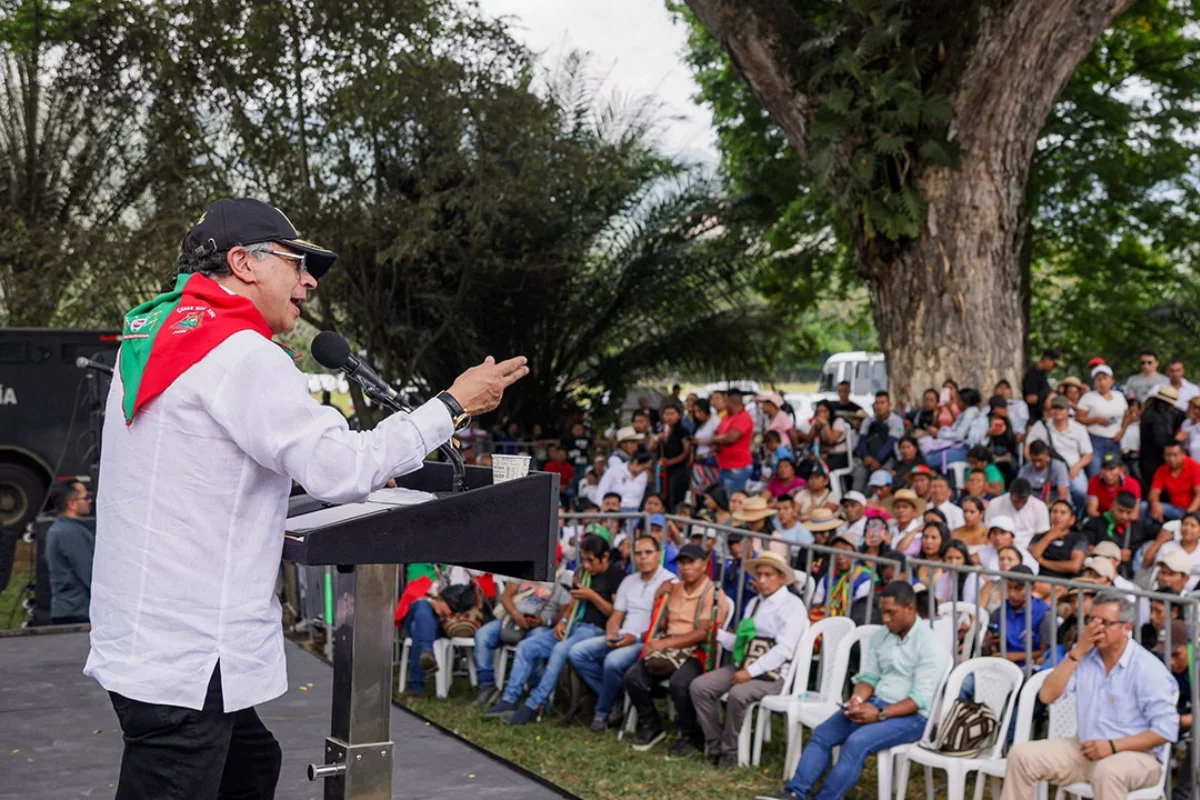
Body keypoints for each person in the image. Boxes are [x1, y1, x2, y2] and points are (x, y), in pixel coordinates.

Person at [84, 198, 527, 799]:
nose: (310, 281)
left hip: (147, 637)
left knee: (251, 763)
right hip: (190, 657)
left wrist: (367, 473)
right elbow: (338, 469)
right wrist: (451, 406)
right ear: (242, 262)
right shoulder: (240, 354)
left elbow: (205, 466)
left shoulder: (162, 337)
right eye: (298, 263)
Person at [759, 581, 949, 800]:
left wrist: (879, 715)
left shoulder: (931, 646)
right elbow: (868, 677)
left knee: (857, 742)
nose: (885, 619)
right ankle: (794, 793)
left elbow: (919, 699)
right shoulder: (881, 636)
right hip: (877, 703)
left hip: (913, 717)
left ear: (911, 608)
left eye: (891, 613)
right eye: (883, 613)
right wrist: (857, 699)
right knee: (823, 733)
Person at [1001, 592, 1179, 800]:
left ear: (1126, 627)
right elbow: (1047, 695)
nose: (1097, 629)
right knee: (1021, 756)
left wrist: (1113, 746)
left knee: (1109, 771)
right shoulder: (1084, 657)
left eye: (1106, 623)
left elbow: (1166, 730)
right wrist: (1077, 652)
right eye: (1092, 621)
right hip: (1085, 749)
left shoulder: (1148, 668)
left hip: (1136, 757)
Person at [484, 533, 624, 725]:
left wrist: (592, 596)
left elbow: (616, 613)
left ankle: (533, 705)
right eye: (584, 560)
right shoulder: (583, 573)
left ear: (605, 557)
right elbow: (572, 604)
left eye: (591, 561)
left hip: (594, 630)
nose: (587, 565)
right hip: (573, 625)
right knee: (527, 647)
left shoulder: (617, 577)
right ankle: (509, 699)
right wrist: (562, 622)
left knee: (559, 651)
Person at [692, 551, 808, 770]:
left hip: (773, 674)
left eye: (768, 575)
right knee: (700, 687)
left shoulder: (793, 607)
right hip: (745, 664)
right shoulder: (754, 602)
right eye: (759, 575)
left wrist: (751, 672)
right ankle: (715, 743)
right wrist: (716, 634)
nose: (762, 580)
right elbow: (742, 642)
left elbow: (784, 650)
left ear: (781, 577)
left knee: (738, 694)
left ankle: (730, 752)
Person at [622, 543, 731, 755]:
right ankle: (652, 726)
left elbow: (703, 633)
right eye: (682, 562)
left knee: (679, 684)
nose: (686, 567)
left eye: (692, 562)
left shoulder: (714, 594)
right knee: (632, 677)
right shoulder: (674, 588)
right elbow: (662, 624)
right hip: (668, 647)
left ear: (704, 564)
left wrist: (665, 643)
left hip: (696, 650)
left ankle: (689, 735)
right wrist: (658, 599)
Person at [569, 534, 674, 733]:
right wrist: (611, 633)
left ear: (659, 555)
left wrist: (634, 638)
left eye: (648, 553)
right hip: (623, 635)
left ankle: (602, 712)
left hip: (647, 640)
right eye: (638, 553)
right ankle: (614, 696)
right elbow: (617, 615)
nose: (643, 557)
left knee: (612, 662)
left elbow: (664, 626)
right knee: (577, 653)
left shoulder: (669, 581)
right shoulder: (629, 581)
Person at [472, 570, 572, 708]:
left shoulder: (564, 576)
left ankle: (538, 694)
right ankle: (487, 685)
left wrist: (544, 621)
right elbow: (506, 596)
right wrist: (515, 614)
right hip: (514, 618)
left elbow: (565, 614)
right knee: (482, 635)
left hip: (542, 624)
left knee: (533, 644)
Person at [1027, 395, 1093, 510]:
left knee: (1081, 491)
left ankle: (1076, 517)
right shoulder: (1041, 426)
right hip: (1047, 468)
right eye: (1055, 408)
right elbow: (1028, 447)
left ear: (1068, 411)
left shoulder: (1079, 428)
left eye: (1061, 409)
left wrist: (1076, 467)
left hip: (1071, 468)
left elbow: (1088, 454)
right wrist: (1035, 465)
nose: (1057, 412)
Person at [983, 565, 1055, 667]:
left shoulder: (1045, 614)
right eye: (1009, 587)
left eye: (1018, 588)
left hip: (1030, 668)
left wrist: (1012, 657)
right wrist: (989, 645)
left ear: (1032, 588)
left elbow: (1047, 652)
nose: (1012, 594)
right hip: (1000, 665)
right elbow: (990, 650)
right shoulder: (998, 613)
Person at [45, 479, 94, 625]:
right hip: (77, 611)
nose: (90, 500)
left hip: (69, 609)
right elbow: (88, 573)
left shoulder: (61, 529)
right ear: (72, 504)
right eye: (86, 498)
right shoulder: (70, 533)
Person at [1082, 491, 1155, 580]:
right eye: (1120, 511)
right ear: (1112, 505)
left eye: (1128, 513)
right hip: (1099, 575)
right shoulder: (1095, 523)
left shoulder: (1138, 527)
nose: (1124, 516)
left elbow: (1164, 531)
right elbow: (1087, 549)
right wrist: (1115, 554)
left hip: (1127, 577)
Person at [1076, 365, 1128, 477]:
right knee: (1096, 472)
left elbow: (1126, 415)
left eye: (1105, 379)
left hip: (1114, 440)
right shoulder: (1088, 397)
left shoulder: (1119, 396)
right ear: (1094, 382)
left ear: (1112, 380)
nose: (1102, 383)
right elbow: (1078, 418)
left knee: (1114, 472)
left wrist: (1122, 430)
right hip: (1095, 440)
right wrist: (1094, 420)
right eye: (1098, 379)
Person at [851, 391, 904, 492]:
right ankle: (855, 498)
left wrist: (878, 460)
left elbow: (890, 443)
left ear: (889, 405)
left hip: (888, 458)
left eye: (882, 403)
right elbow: (862, 441)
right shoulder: (868, 421)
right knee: (859, 472)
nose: (878, 406)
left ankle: (868, 499)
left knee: (879, 476)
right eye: (876, 403)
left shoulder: (897, 421)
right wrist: (866, 456)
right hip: (869, 457)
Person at [1028, 500, 1088, 580]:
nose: (1057, 516)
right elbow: (1032, 556)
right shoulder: (1039, 536)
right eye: (1054, 512)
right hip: (1039, 579)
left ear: (1072, 520)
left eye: (1063, 513)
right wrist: (1049, 537)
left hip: (1066, 583)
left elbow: (1074, 566)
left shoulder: (1079, 538)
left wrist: (1043, 562)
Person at [985, 478, 1050, 550]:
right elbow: (987, 530)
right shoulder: (994, 504)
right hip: (999, 547)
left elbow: (1042, 534)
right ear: (1010, 494)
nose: (1020, 504)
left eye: (1023, 501)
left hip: (1030, 549)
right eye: (1016, 501)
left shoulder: (1040, 506)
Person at [712, 392, 755, 495]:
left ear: (731, 403)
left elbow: (731, 439)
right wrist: (717, 442)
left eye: (725, 401)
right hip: (724, 466)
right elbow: (717, 432)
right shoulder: (726, 417)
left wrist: (711, 440)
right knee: (723, 499)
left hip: (737, 468)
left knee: (734, 500)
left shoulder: (743, 417)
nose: (723, 404)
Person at [1148, 440, 1200, 522]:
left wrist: (1188, 515)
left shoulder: (1195, 467)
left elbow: (1199, 495)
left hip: (1195, 511)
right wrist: (1155, 504)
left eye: (1175, 455)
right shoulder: (1162, 470)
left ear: (1183, 454)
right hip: (1175, 509)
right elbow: (1154, 492)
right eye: (1168, 455)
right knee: (1144, 507)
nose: (1171, 459)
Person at [657, 403, 692, 509]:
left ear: (679, 415)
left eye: (672, 414)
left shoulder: (683, 431)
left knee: (675, 497)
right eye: (666, 414)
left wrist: (671, 461)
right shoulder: (661, 430)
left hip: (679, 469)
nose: (669, 417)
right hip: (665, 468)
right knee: (664, 495)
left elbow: (686, 452)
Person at [1086, 453, 1141, 519]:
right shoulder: (1094, 481)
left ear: (1121, 470)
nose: (1107, 473)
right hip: (1102, 519)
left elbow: (1134, 514)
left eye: (1111, 469)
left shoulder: (1132, 484)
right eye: (1104, 469)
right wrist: (1108, 522)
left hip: (1125, 519)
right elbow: (1092, 510)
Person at [1023, 347, 1062, 424]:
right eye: (1054, 365)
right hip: (1034, 419)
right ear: (1046, 360)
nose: (1054, 368)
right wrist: (1048, 398)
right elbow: (1030, 399)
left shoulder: (1043, 375)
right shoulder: (1033, 374)